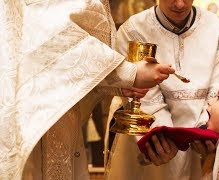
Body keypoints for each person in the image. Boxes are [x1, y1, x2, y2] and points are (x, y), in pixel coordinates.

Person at [0, 0, 175, 179]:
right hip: (30, 116)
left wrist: (110, 83)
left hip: (52, 111)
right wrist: (128, 73)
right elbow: (52, 35)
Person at [105, 0, 219, 179]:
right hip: (155, 144)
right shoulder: (133, 30)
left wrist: (205, 129)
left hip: (202, 144)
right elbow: (142, 95)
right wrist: (162, 135)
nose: (180, 4)